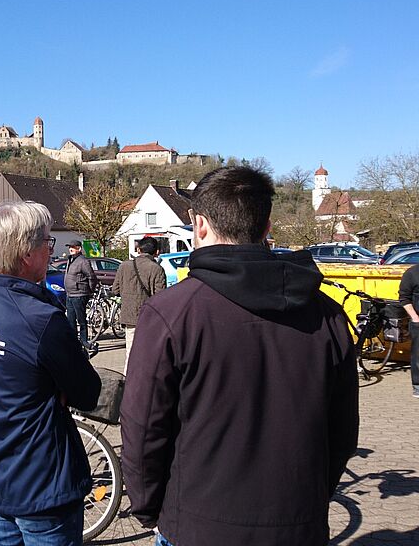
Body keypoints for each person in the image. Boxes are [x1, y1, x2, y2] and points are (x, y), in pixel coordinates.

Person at [119, 167, 359, 546]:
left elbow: (143, 429)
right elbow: (343, 432)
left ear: (199, 225)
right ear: (266, 228)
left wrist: (149, 508)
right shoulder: (328, 314)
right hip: (298, 524)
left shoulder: (171, 313)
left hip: (197, 526)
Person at [0, 200, 101, 546]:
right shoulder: (41, 318)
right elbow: (88, 392)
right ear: (26, 253)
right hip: (42, 485)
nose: (51, 252)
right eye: (47, 243)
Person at [111, 237, 166, 373]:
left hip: (129, 316)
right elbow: (160, 297)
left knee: (130, 352)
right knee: (149, 353)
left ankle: (127, 383)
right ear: (157, 252)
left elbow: (115, 289)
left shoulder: (124, 266)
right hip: (149, 317)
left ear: (138, 250)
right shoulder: (156, 269)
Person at [63, 239, 98, 353]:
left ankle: (84, 341)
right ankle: (73, 343)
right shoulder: (70, 259)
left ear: (79, 248)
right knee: (70, 321)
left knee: (81, 320)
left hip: (79, 294)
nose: (70, 249)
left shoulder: (83, 261)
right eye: (69, 247)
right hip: (70, 294)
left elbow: (91, 277)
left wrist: (89, 291)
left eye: (73, 247)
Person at [397, 264, 419, 398]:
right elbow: (404, 298)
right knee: (418, 354)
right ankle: (417, 385)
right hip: (418, 321)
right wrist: (415, 318)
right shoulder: (412, 273)